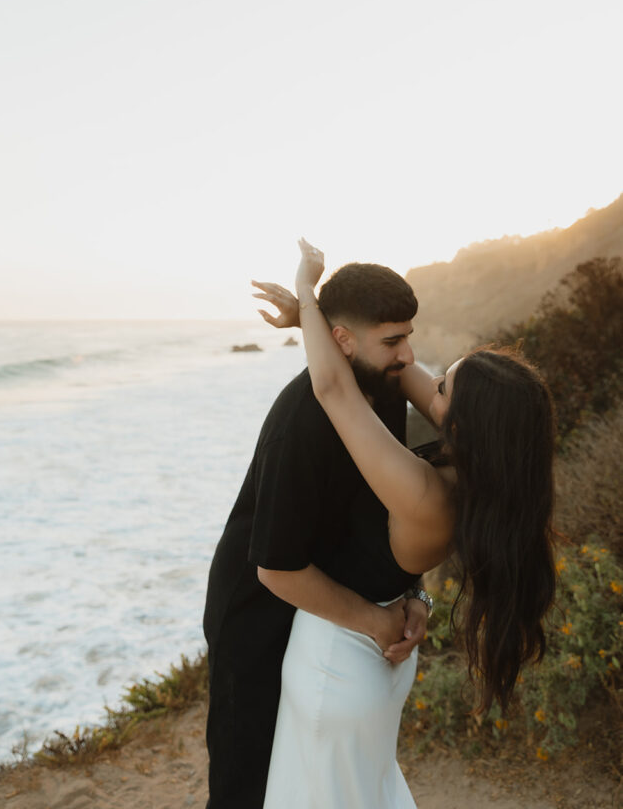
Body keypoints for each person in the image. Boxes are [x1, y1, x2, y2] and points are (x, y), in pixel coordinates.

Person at [255, 239, 556, 808]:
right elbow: (400, 369)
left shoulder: (423, 493)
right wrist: (320, 325)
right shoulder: (480, 476)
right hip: (382, 662)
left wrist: (308, 291)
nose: (422, 377)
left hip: (339, 666)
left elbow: (333, 388)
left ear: (463, 424)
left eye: (443, 388)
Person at [203, 261, 435, 809]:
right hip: (257, 616)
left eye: (409, 338)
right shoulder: (303, 420)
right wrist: (376, 621)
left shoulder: (384, 390)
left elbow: (393, 506)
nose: (407, 355)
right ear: (342, 340)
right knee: (248, 782)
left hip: (320, 606)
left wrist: (414, 591)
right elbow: (275, 567)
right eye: (393, 341)